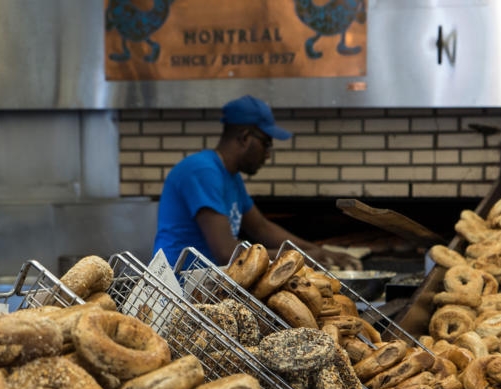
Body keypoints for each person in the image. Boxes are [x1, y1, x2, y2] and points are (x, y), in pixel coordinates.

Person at [153, 94, 363, 270]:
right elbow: (226, 252)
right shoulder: (202, 171)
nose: (268, 155)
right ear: (245, 137)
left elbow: (261, 228)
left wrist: (318, 251)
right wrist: (299, 257)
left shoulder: (230, 176)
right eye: (266, 144)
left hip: (203, 288)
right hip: (176, 292)